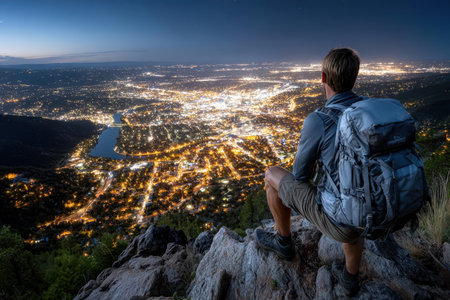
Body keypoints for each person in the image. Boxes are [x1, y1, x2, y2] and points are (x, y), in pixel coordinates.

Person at [255, 48, 364, 296]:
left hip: (343, 220)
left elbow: (300, 175)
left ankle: (283, 243)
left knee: (273, 174)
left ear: (323, 78)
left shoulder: (320, 120)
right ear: (355, 77)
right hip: (374, 212)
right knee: (354, 186)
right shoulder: (369, 110)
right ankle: (350, 279)